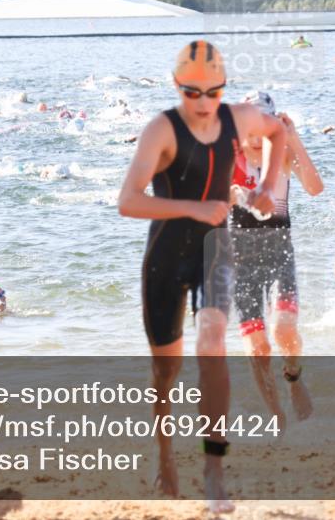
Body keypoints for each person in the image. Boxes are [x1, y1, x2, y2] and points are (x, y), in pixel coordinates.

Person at [118, 40, 286, 512]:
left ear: (224, 88)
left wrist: (268, 185)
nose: (204, 102)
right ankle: (165, 452)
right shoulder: (161, 130)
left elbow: (278, 132)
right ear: (177, 87)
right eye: (193, 93)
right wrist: (194, 207)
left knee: (212, 343)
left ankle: (214, 469)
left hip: (214, 249)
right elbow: (128, 201)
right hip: (165, 256)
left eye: (213, 92)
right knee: (165, 371)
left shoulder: (239, 118)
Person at [230, 90, 322, 426]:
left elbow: (315, 187)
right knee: (257, 346)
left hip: (279, 252)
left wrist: (294, 138)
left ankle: (294, 376)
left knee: (283, 328)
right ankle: (277, 417)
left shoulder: (283, 154)